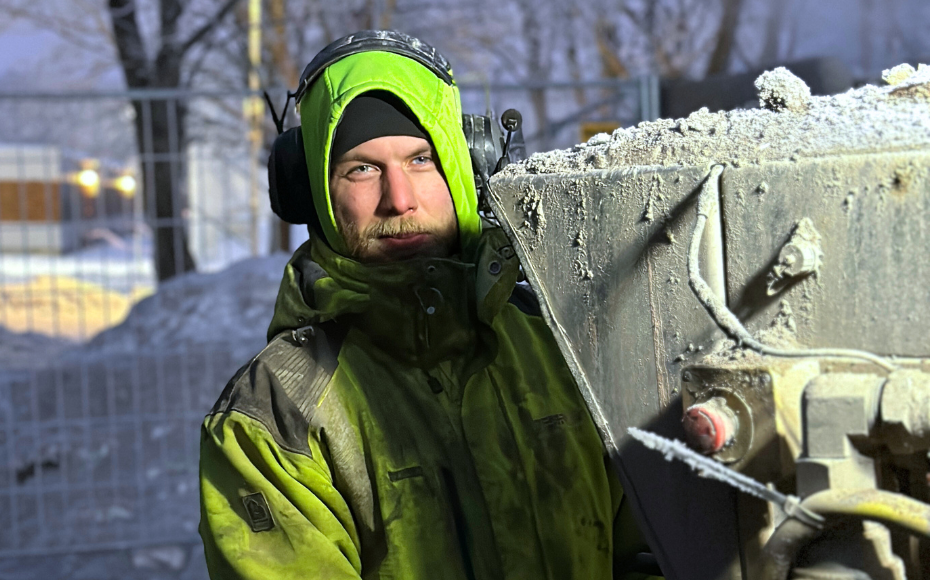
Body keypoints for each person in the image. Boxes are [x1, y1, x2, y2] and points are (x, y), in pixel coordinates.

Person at [198, 30, 660, 580]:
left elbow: (654, 549)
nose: (400, 198)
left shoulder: (565, 347)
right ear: (312, 191)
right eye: (362, 169)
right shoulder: (273, 419)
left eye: (421, 159)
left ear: (469, 167)